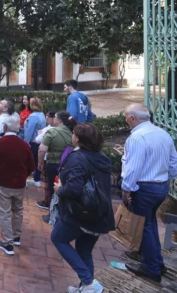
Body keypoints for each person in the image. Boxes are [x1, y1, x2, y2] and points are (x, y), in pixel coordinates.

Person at [52, 123, 114, 293]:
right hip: (99, 212)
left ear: (77, 139)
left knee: (58, 238)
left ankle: (88, 282)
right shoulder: (101, 157)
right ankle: (85, 287)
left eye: (73, 133)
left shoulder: (77, 158)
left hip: (80, 212)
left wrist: (59, 189)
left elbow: (73, 189)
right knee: (84, 251)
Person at [122, 103, 177, 283]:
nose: (126, 120)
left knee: (144, 227)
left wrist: (127, 189)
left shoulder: (137, 138)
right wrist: (162, 178)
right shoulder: (163, 133)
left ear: (132, 118)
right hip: (161, 186)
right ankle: (156, 263)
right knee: (149, 224)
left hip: (145, 188)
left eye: (126, 117)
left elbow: (134, 168)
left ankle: (151, 268)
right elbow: (174, 164)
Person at [0, 113, 35, 255]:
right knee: (18, 209)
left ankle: (8, 243)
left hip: (3, 183)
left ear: (5, 127)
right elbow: (31, 166)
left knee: (5, 212)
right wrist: (22, 176)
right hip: (19, 184)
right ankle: (16, 236)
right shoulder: (24, 145)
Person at [37, 110, 76, 218]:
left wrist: (40, 162)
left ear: (59, 120)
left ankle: (51, 214)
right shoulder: (71, 133)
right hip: (66, 164)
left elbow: (42, 149)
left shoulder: (52, 132)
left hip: (52, 164)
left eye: (54, 117)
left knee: (51, 187)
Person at [27, 109, 57, 187]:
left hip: (48, 157)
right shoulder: (50, 127)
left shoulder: (49, 130)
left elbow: (37, 140)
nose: (46, 118)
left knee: (49, 180)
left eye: (49, 116)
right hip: (52, 157)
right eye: (46, 115)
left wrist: (41, 133)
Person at [23, 97, 46, 186]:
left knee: (27, 161)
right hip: (39, 140)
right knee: (37, 161)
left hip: (33, 142)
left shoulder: (33, 116)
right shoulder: (41, 114)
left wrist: (25, 143)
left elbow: (29, 131)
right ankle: (36, 179)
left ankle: (23, 179)